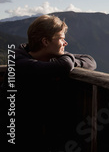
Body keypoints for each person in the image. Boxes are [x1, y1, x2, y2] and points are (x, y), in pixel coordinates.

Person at [1, 14, 97, 151]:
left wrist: (70, 60)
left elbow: (90, 60)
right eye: (62, 39)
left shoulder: (46, 58)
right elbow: (63, 66)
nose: (66, 43)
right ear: (45, 42)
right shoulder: (20, 65)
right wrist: (68, 60)